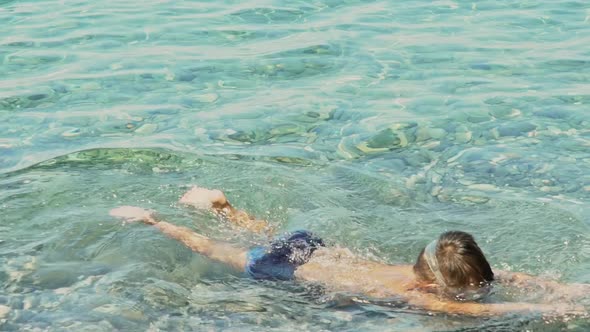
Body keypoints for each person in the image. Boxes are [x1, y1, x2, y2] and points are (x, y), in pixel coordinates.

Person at [109, 186, 587, 317]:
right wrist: (551, 305)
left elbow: (500, 276)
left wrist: (559, 286)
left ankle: (221, 205)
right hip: (282, 273)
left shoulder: (424, 268)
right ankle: (155, 221)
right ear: (429, 284)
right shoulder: (422, 295)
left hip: (313, 248)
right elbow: (476, 313)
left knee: (264, 230)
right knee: (217, 251)